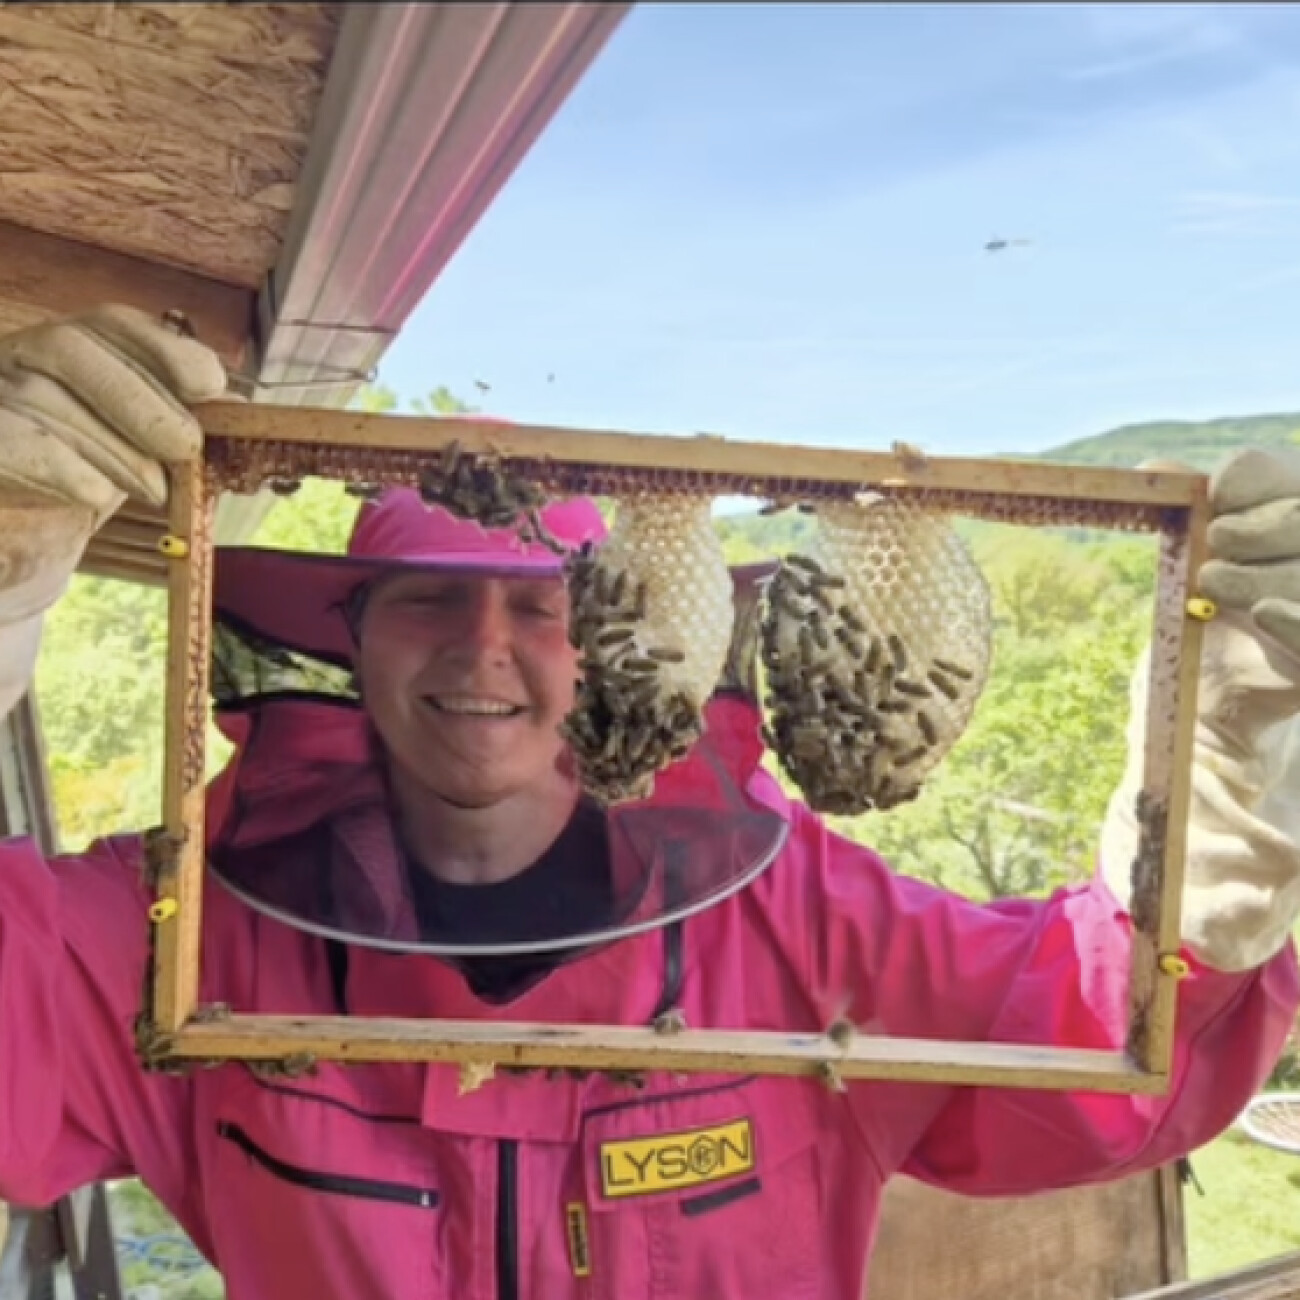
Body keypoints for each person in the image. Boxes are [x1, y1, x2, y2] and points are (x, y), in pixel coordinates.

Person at [0, 306, 1298, 1300]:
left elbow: (1077, 1056)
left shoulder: (795, 917)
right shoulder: (180, 930)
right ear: (352, 639)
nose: (483, 648)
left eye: (543, 609)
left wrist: (1220, 839)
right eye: (430, 599)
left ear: (615, 650)